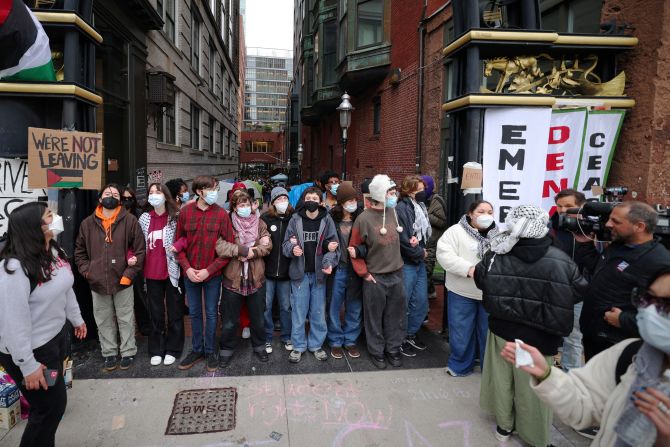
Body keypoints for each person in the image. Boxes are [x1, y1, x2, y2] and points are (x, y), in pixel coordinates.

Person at [500, 271, 670, 447]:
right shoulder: (629, 355)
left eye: (666, 305)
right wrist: (546, 375)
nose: (651, 312)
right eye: (647, 299)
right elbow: (583, 406)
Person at [473, 205, 586, 446]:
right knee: (534, 386)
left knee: (502, 380)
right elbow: (578, 291)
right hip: (540, 335)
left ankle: (504, 427)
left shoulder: (497, 251)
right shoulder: (560, 258)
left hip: (502, 329)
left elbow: (481, 280)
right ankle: (536, 437)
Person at [0, 202, 87, 447]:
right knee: (48, 409)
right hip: (31, 352)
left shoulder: (53, 253)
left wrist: (76, 318)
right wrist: (28, 366)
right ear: (34, 227)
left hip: (54, 341)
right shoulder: (14, 270)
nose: (56, 218)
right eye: (50, 215)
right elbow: (12, 324)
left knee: (51, 407)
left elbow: (66, 288)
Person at [576, 201, 670, 361]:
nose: (608, 224)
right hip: (595, 336)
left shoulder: (659, 262)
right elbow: (600, 270)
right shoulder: (619, 245)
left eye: (616, 221)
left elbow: (665, 318)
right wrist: (584, 244)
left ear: (639, 226)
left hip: (620, 345)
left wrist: (624, 320)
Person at [75, 184, 145, 371]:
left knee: (126, 317)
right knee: (103, 319)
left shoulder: (130, 221)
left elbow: (139, 251)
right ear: (100, 199)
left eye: (115, 194)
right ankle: (109, 352)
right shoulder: (87, 224)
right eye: (107, 193)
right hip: (97, 281)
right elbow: (79, 252)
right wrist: (87, 272)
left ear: (120, 200)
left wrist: (128, 275)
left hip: (123, 280)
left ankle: (128, 351)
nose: (111, 196)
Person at [174, 175, 235, 372]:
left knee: (211, 313)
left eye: (216, 188)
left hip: (213, 274)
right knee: (194, 313)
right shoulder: (185, 213)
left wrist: (209, 270)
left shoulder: (221, 215)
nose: (215, 193)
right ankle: (196, 349)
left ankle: (210, 350)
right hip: (190, 273)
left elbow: (228, 248)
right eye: (212, 189)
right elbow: (178, 244)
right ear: (199, 191)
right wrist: (187, 268)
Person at [349, 174, 407, 369]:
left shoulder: (394, 212)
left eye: (394, 191)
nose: (394, 195)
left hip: (396, 273)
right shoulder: (363, 219)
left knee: (395, 315)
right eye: (390, 192)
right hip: (375, 276)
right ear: (380, 194)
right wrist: (364, 273)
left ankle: (393, 349)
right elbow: (354, 249)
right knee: (373, 317)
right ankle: (377, 351)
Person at [436, 200, 498, 377]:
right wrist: (469, 269)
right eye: (480, 211)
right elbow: (444, 254)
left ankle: (490, 369)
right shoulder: (455, 232)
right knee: (461, 331)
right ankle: (460, 365)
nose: (485, 215)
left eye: (489, 212)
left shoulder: (499, 235)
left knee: (488, 333)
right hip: (461, 291)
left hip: (489, 293)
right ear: (470, 213)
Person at [282, 186, 339, 363]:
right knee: (299, 311)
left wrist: (329, 261)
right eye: (309, 198)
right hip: (300, 274)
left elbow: (334, 246)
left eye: (315, 198)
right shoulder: (295, 219)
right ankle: (298, 346)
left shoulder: (327, 220)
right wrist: (293, 249)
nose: (312, 201)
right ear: (304, 200)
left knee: (318, 311)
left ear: (320, 202)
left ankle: (316, 345)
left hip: (319, 274)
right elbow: (285, 246)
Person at [216, 190, 272, 367]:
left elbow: (268, 245)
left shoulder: (260, 222)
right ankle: (226, 349)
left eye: (247, 204)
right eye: (241, 205)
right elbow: (220, 246)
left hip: (255, 277)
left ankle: (259, 346)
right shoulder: (227, 223)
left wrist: (251, 253)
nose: (245, 208)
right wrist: (241, 250)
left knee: (258, 317)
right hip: (233, 277)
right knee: (230, 319)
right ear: (234, 207)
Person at [138, 183, 184, 367]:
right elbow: (136, 243)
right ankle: (156, 349)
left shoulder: (176, 217)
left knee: (175, 313)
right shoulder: (143, 219)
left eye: (158, 192)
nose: (154, 195)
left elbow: (184, 238)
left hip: (172, 271)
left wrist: (177, 246)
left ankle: (173, 348)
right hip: (151, 273)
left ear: (165, 196)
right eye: (151, 192)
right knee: (156, 313)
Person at [549, 189, 592, 372]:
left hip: (579, 292)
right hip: (552, 288)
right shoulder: (551, 226)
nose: (563, 210)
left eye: (568, 206)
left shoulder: (591, 229)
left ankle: (571, 376)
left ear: (581, 206)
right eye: (559, 206)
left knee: (573, 338)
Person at [327, 181, 364, 359]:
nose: (352, 203)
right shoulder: (331, 219)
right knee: (335, 305)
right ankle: (335, 340)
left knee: (354, 305)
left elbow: (368, 244)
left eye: (354, 199)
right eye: (349, 200)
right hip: (338, 268)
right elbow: (324, 240)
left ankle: (350, 340)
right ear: (341, 202)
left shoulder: (361, 219)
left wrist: (359, 251)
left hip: (356, 268)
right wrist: (329, 246)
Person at [395, 175, 431, 357]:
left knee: (420, 302)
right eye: (420, 188)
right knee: (404, 303)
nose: (424, 191)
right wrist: (421, 253)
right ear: (409, 191)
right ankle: (399, 339)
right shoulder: (402, 208)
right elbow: (404, 241)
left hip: (418, 262)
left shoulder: (420, 207)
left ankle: (410, 334)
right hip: (408, 262)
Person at [261, 186, 294, 353]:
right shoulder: (266, 219)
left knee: (286, 306)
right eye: (279, 199)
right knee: (266, 306)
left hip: (286, 273)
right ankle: (267, 337)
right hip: (268, 271)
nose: (283, 202)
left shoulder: (293, 218)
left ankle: (287, 336)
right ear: (273, 202)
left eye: (285, 199)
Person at [121, 186, 151, 336]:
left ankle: (144, 324)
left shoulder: (140, 215)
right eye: (124, 198)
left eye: (130, 199)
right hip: (118, 260)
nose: (127, 202)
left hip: (136, 261)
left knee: (140, 294)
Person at [421, 175, 448, 301]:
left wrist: (426, 214)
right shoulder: (418, 199)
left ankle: (425, 298)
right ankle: (430, 291)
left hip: (431, 243)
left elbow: (442, 222)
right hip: (420, 242)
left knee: (426, 270)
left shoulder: (436, 200)